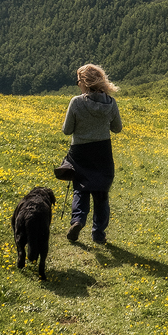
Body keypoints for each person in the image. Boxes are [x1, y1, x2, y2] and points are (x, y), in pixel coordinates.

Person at [59, 63, 122, 244]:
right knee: (101, 193)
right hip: (102, 152)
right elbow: (117, 128)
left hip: (80, 152)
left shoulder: (76, 102)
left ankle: (78, 220)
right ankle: (99, 234)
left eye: (78, 80)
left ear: (85, 82)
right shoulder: (110, 103)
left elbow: (67, 130)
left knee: (80, 189)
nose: (77, 84)